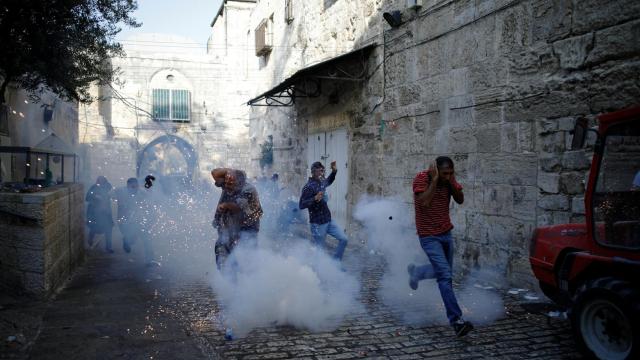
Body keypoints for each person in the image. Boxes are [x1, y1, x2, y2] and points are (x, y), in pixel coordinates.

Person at [407, 156, 474, 337]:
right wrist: (436, 181)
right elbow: (423, 203)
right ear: (436, 171)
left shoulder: (449, 179)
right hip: (428, 236)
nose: (448, 176)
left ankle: (417, 273)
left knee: (442, 272)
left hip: (445, 233)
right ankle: (457, 321)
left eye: (451, 173)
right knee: (445, 276)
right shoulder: (422, 178)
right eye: (444, 173)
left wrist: (451, 182)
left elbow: (460, 200)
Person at [212, 169, 263, 269]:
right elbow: (214, 173)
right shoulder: (228, 182)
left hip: (247, 228)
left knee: (246, 258)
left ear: (240, 183)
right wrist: (229, 172)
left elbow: (238, 208)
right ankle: (228, 280)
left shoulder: (248, 190)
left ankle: (250, 280)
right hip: (229, 227)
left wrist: (226, 205)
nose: (227, 186)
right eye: (226, 182)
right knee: (221, 253)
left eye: (231, 183)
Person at [299, 161, 348, 261]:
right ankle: (318, 272)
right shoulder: (308, 187)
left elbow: (329, 181)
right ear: (313, 172)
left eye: (323, 170)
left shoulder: (321, 182)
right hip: (317, 224)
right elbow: (301, 205)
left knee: (344, 239)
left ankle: (336, 263)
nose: (322, 173)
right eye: (320, 170)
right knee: (320, 252)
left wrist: (334, 171)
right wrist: (314, 198)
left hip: (328, 220)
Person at [115, 177, 157, 266]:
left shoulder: (142, 192)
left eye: (136, 185)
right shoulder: (121, 192)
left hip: (140, 220)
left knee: (147, 240)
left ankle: (150, 260)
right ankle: (126, 241)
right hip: (127, 221)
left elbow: (150, 202)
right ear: (128, 186)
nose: (135, 187)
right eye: (132, 186)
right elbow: (111, 195)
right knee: (131, 239)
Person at [85, 176, 114, 252]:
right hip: (94, 212)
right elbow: (87, 198)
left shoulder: (108, 188)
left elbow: (111, 196)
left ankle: (109, 247)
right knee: (94, 228)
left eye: (100, 181)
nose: (99, 182)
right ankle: (90, 240)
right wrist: (95, 197)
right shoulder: (94, 188)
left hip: (106, 212)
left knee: (108, 229)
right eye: (98, 181)